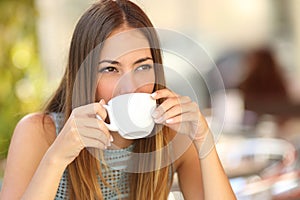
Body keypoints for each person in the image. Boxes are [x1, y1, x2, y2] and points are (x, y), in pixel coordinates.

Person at [0, 0, 236, 199]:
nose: (130, 87)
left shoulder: (173, 137)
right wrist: (58, 156)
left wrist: (203, 138)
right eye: (111, 70)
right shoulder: (39, 133)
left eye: (142, 67)